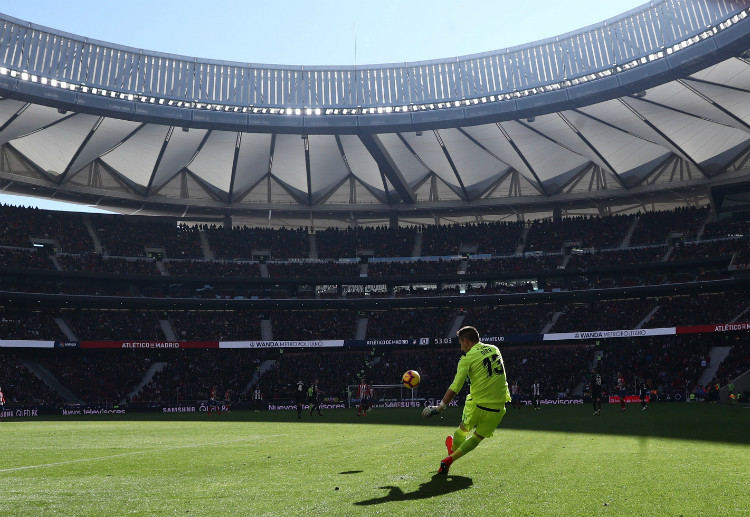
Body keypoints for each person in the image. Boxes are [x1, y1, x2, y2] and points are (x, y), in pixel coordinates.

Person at [422, 325, 511, 475]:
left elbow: (455, 387)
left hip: (478, 404)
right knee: (477, 438)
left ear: (466, 341)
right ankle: (448, 460)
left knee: (463, 428)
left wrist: (439, 408)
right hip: (498, 406)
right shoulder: (495, 349)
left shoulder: (467, 358)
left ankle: (451, 453)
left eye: (461, 344)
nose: (461, 348)